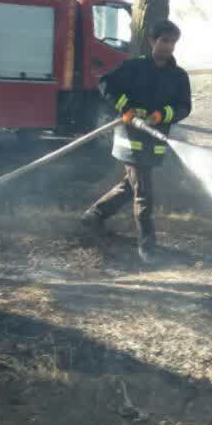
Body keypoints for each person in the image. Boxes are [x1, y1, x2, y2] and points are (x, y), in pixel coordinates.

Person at [81, 19, 192, 263]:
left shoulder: (179, 76)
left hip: (154, 142)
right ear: (152, 41)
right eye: (164, 41)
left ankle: (94, 215)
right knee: (144, 193)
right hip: (130, 140)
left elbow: (184, 107)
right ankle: (147, 248)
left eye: (173, 42)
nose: (169, 46)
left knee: (130, 186)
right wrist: (126, 109)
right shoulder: (134, 68)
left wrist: (161, 115)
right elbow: (105, 84)